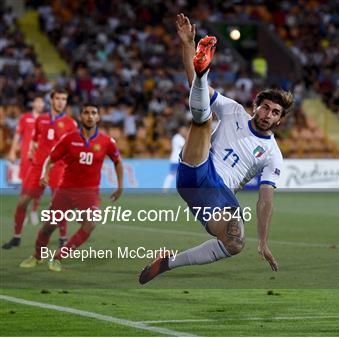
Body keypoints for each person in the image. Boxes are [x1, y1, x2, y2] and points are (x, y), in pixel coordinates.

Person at [138, 13, 293, 284]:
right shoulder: (234, 111)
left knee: (235, 241)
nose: (268, 114)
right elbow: (194, 90)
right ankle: (203, 71)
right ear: (256, 106)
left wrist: (264, 242)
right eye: (265, 107)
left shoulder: (272, 154)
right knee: (204, 117)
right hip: (199, 169)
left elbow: (266, 199)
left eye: (275, 112)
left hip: (218, 196)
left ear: (280, 119)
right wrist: (187, 45)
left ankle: (168, 263)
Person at [19, 102, 123, 272]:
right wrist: (44, 173)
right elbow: (51, 158)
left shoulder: (107, 142)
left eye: (93, 112)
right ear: (80, 116)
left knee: (90, 224)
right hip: (66, 190)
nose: (90, 116)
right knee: (49, 227)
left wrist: (120, 186)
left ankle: (58, 257)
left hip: (89, 192)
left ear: (98, 117)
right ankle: (37, 256)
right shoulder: (69, 139)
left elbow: (117, 162)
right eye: (86, 112)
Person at [3, 89, 77, 249]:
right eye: (58, 98)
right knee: (22, 202)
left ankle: (63, 238)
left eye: (64, 99)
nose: (61, 102)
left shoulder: (71, 123)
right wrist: (31, 151)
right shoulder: (41, 120)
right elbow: (35, 140)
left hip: (58, 168)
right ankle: (16, 237)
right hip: (38, 167)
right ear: (51, 100)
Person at [6, 97, 45, 226]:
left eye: (41, 102)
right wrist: (12, 151)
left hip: (40, 156)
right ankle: (23, 212)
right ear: (33, 103)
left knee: (39, 185)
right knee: (25, 185)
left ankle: (34, 210)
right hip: (26, 157)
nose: (39, 104)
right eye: (37, 101)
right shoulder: (25, 117)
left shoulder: (46, 119)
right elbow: (18, 134)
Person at [162, 126, 187, 191]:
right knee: (172, 174)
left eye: (185, 130)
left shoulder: (181, 138)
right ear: (180, 130)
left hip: (179, 159)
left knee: (181, 175)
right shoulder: (177, 137)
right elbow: (184, 146)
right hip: (175, 159)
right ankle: (165, 188)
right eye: (183, 130)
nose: (184, 132)